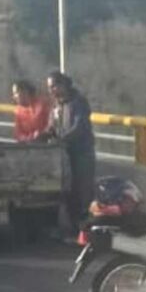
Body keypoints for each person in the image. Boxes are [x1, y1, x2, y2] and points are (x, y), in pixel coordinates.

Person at [44, 71, 96, 236]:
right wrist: (42, 137)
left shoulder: (78, 102)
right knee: (68, 193)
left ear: (63, 85)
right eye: (49, 88)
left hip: (81, 154)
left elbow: (80, 127)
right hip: (65, 156)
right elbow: (51, 128)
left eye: (54, 86)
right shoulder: (57, 106)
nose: (51, 91)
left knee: (83, 192)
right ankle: (73, 230)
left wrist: (62, 139)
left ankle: (86, 231)